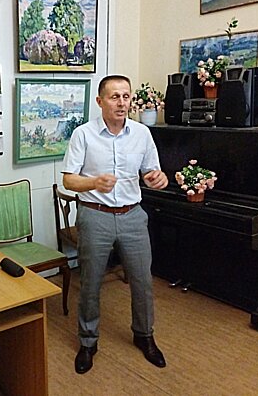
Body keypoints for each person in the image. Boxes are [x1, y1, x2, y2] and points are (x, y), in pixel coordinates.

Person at [61, 75, 169, 374]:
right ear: (100, 101)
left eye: (126, 96)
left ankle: (144, 335)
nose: (122, 103)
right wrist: (94, 182)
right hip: (95, 215)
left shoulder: (142, 134)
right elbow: (69, 179)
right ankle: (88, 341)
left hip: (133, 215)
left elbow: (152, 172)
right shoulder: (83, 134)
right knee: (91, 282)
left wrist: (158, 178)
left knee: (142, 281)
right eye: (114, 97)